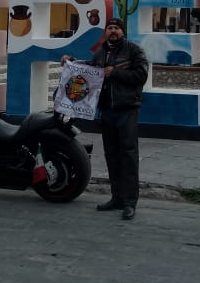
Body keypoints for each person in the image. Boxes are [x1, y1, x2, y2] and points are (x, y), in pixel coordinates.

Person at [61, 16, 148, 220]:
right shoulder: (101, 51)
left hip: (127, 111)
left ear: (123, 31)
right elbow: (89, 70)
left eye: (116, 28)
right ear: (105, 32)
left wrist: (115, 72)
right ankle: (116, 198)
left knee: (128, 156)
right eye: (109, 28)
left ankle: (129, 202)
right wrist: (70, 62)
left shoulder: (134, 50)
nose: (113, 31)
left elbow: (141, 75)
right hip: (106, 112)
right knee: (112, 155)